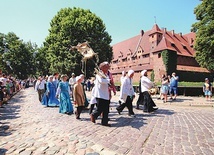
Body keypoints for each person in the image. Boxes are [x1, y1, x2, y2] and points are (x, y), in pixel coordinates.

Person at [90, 62, 111, 127]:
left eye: (108, 67)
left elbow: (106, 82)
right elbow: (102, 81)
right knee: (100, 109)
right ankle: (93, 115)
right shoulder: (98, 74)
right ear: (102, 68)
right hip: (100, 95)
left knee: (106, 110)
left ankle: (104, 122)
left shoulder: (106, 75)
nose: (108, 68)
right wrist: (109, 80)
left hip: (106, 94)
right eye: (106, 67)